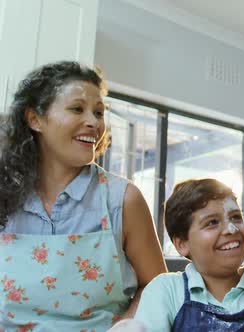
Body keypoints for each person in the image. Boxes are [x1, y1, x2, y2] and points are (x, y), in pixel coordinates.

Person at [0, 61, 167, 331]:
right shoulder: (4, 197)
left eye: (99, 113)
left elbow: (158, 287)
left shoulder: (122, 200)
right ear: (35, 119)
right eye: (77, 109)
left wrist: (126, 325)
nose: (93, 122)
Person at [134, 179, 244, 332]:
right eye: (212, 222)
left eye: (236, 217)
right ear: (182, 244)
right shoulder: (166, 291)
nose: (231, 229)